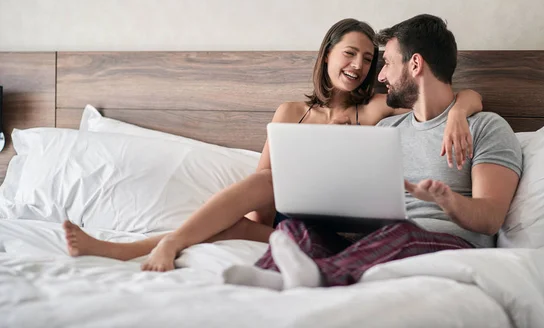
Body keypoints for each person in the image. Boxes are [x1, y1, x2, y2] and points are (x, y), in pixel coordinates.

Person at [63, 18, 484, 272]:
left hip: (341, 226)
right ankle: (141, 246)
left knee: (259, 190)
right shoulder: (288, 113)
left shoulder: (374, 110)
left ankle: (147, 246)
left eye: (370, 59)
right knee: (262, 182)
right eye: (350, 54)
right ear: (327, 56)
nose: (360, 66)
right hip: (289, 219)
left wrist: (460, 113)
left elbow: (458, 95)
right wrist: (257, 220)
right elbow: (258, 203)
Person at [223, 14, 523, 289]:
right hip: (374, 245)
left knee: (403, 234)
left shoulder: (487, 127)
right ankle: (278, 276)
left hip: (447, 246)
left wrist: (447, 199)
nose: (379, 76)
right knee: (297, 230)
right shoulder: (386, 130)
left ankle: (312, 277)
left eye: (387, 63)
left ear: (414, 64)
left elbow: (490, 219)